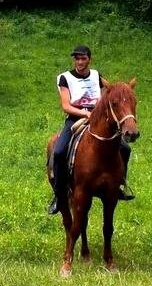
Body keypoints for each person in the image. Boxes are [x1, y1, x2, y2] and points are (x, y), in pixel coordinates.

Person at [48, 45, 134, 215]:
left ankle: (119, 184)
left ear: (89, 59)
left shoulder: (97, 76)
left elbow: (106, 99)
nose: (79, 62)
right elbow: (66, 105)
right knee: (58, 152)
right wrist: (85, 113)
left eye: (83, 58)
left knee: (125, 148)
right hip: (75, 118)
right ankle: (59, 194)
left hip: (98, 119)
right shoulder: (64, 78)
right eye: (77, 59)